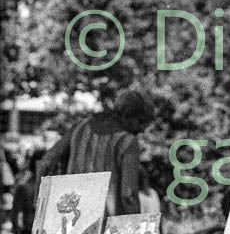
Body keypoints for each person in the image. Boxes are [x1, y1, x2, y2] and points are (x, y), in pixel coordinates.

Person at [36, 88, 155, 216]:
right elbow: (128, 195)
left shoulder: (80, 127)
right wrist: (136, 226)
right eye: (141, 122)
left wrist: (39, 204)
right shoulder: (127, 142)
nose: (142, 130)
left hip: (73, 222)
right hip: (107, 226)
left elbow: (45, 163)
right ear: (127, 115)